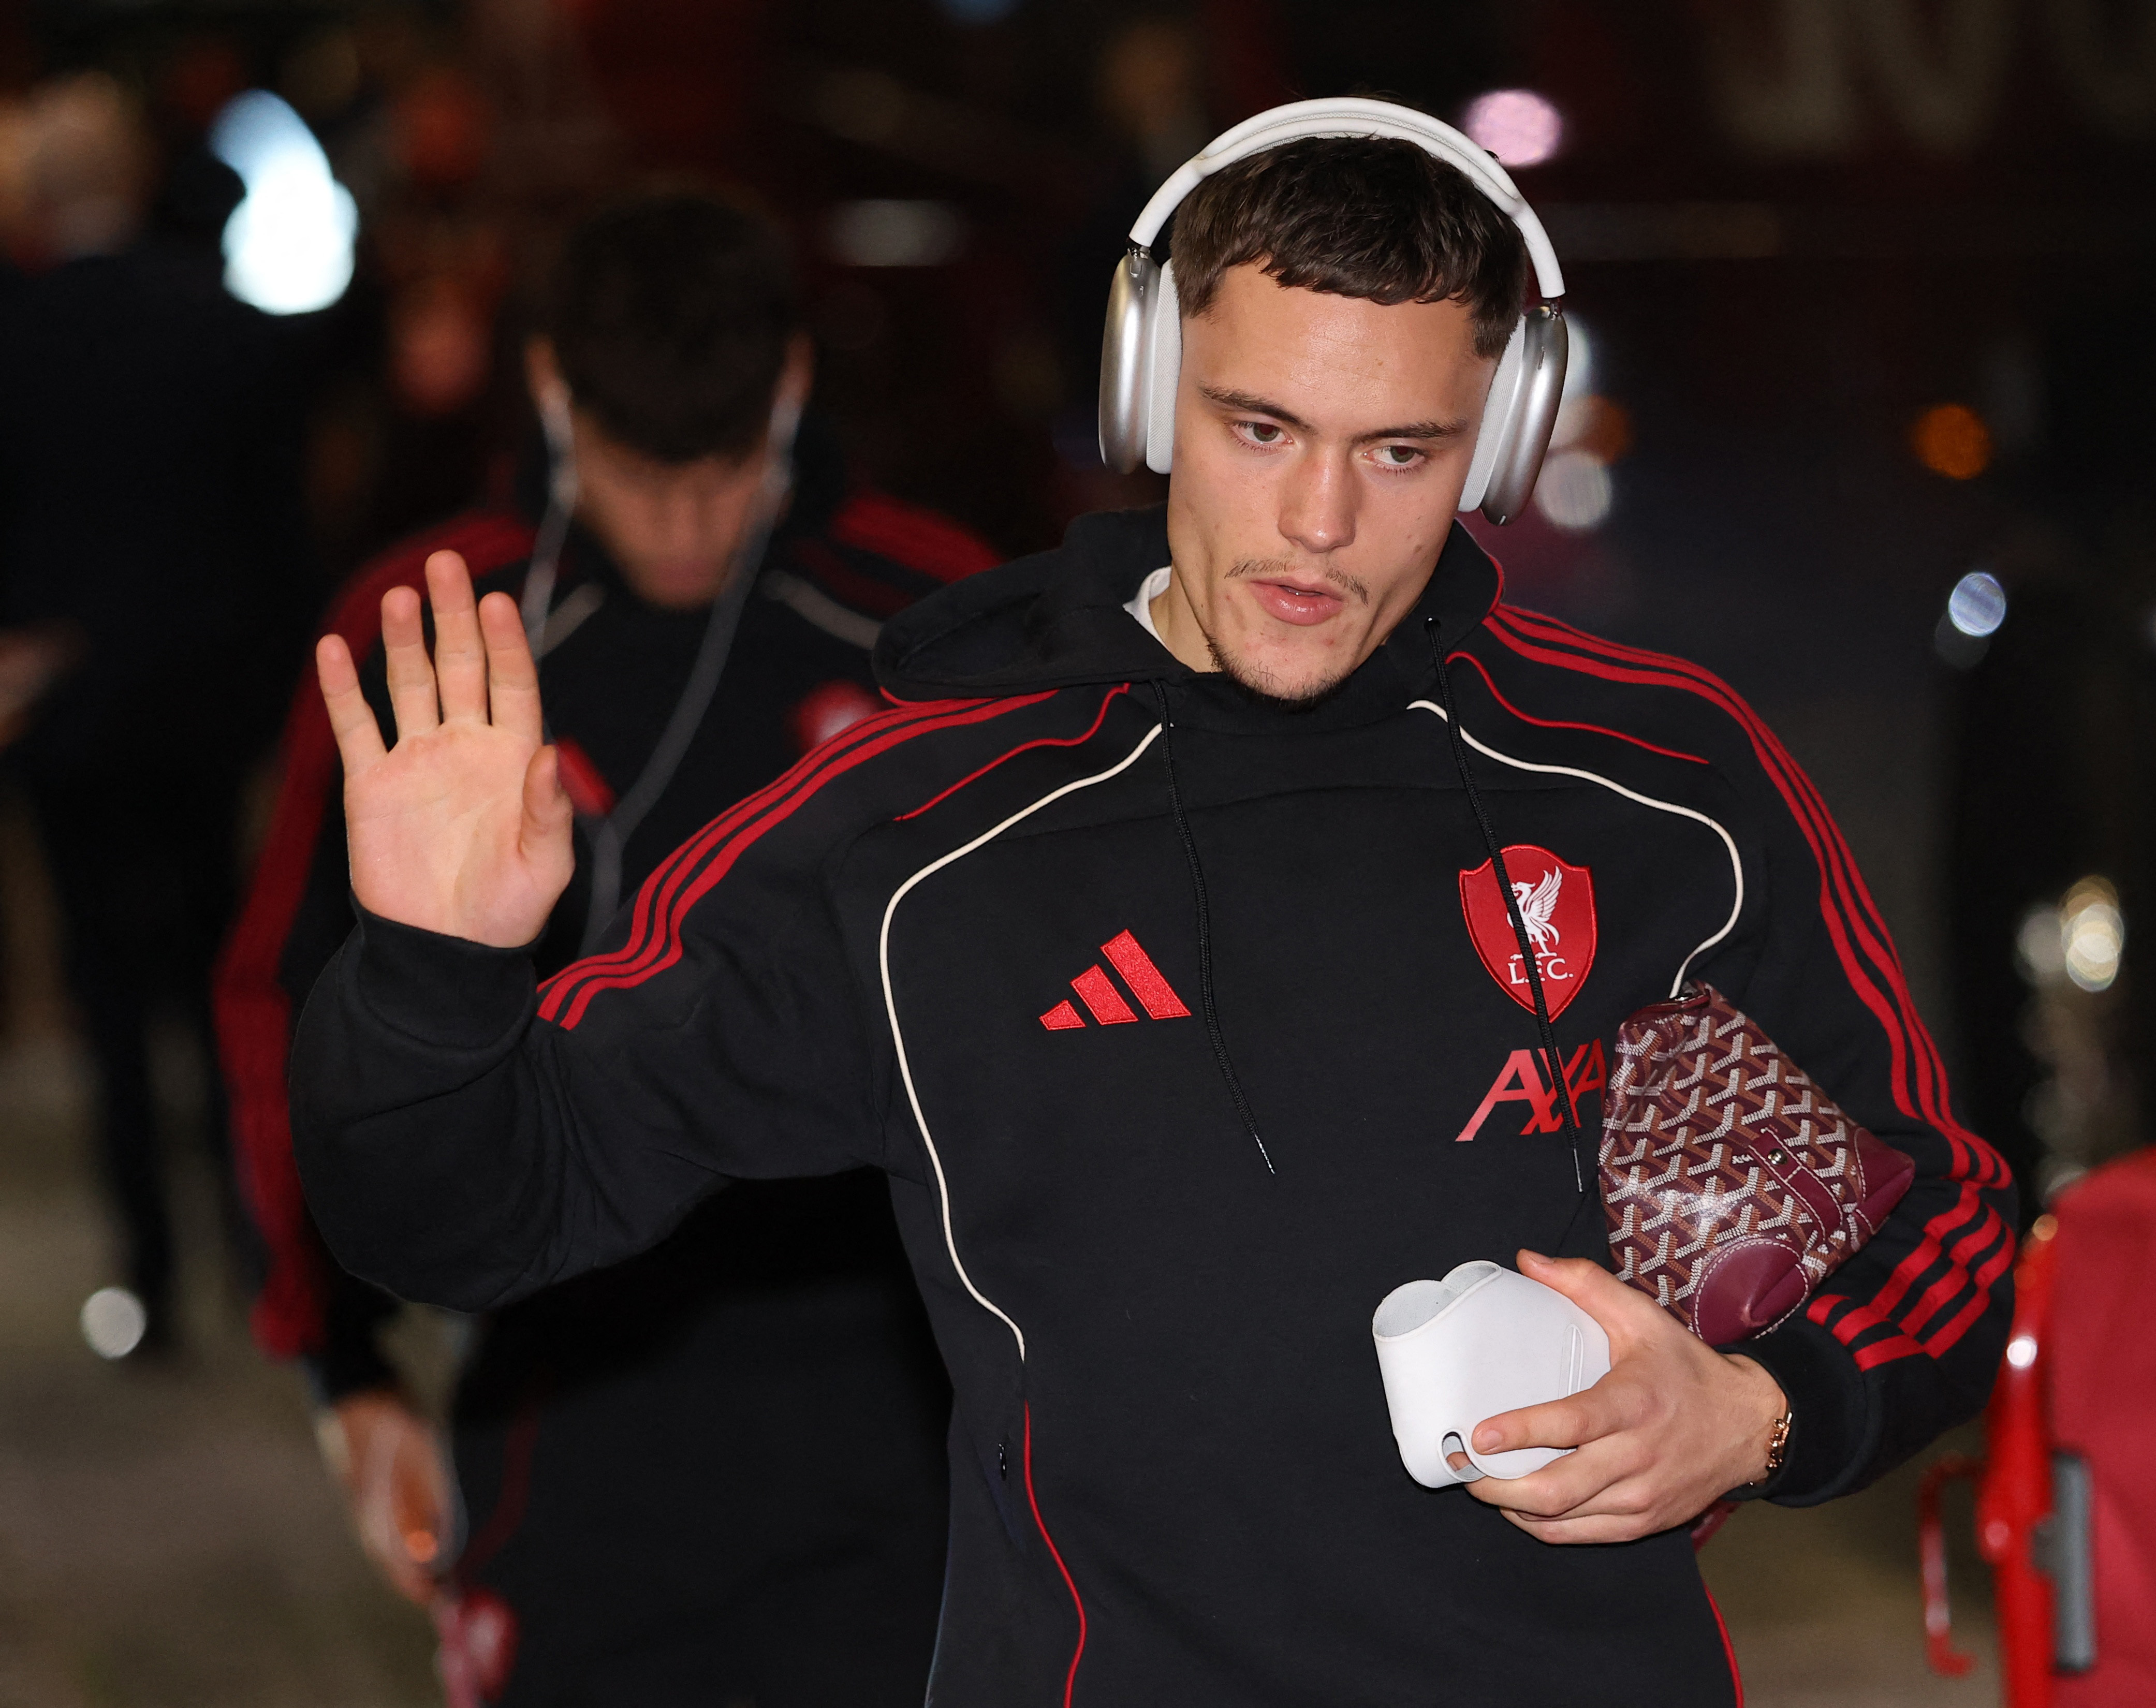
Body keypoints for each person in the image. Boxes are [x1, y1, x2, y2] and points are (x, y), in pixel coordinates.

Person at [292, 110, 2015, 1704]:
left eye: (1400, 450)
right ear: (1143, 389)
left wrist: (1762, 1408)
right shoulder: (924, 841)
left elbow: (1934, 1226)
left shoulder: (1655, 795)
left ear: (1500, 432)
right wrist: (437, 974)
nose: (1319, 522)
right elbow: (478, 1215)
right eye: (1257, 427)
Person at [217, 192, 980, 1707]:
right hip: (567, 1378)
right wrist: (344, 1365)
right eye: (645, 474)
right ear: (557, 393)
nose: (689, 526)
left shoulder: (941, 626)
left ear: (791, 390)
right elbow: (283, 1009)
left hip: (902, 1381)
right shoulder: (427, 631)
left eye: (724, 471)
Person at [0, 71, 307, 1356]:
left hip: (68, 714)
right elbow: (278, 541)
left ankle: (147, 1280)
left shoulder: (14, 338)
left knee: (108, 990)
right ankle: (259, 1254)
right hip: (202, 709)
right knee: (222, 976)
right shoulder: (225, 330)